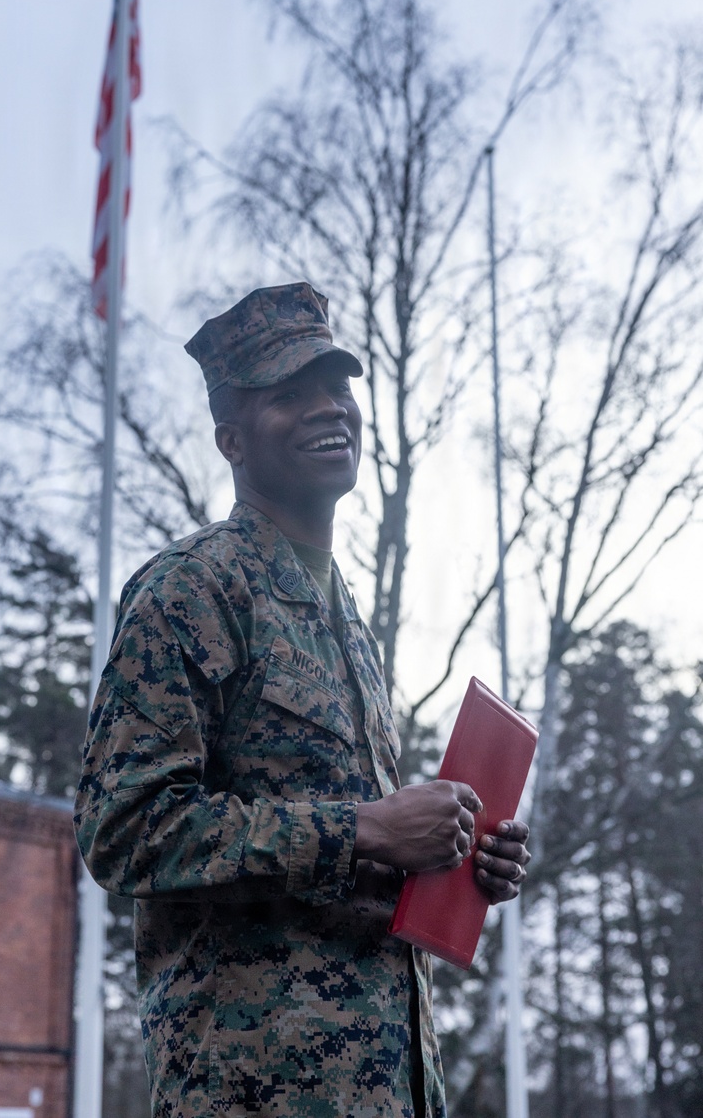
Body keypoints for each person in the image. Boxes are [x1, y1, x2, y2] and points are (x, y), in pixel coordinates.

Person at [75, 282, 531, 1118]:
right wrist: (362, 829)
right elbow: (123, 829)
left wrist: (453, 862)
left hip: (391, 1085)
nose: (332, 409)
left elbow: (343, 862)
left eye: (339, 388)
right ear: (231, 439)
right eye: (292, 394)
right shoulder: (192, 590)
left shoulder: (346, 617)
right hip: (259, 1090)